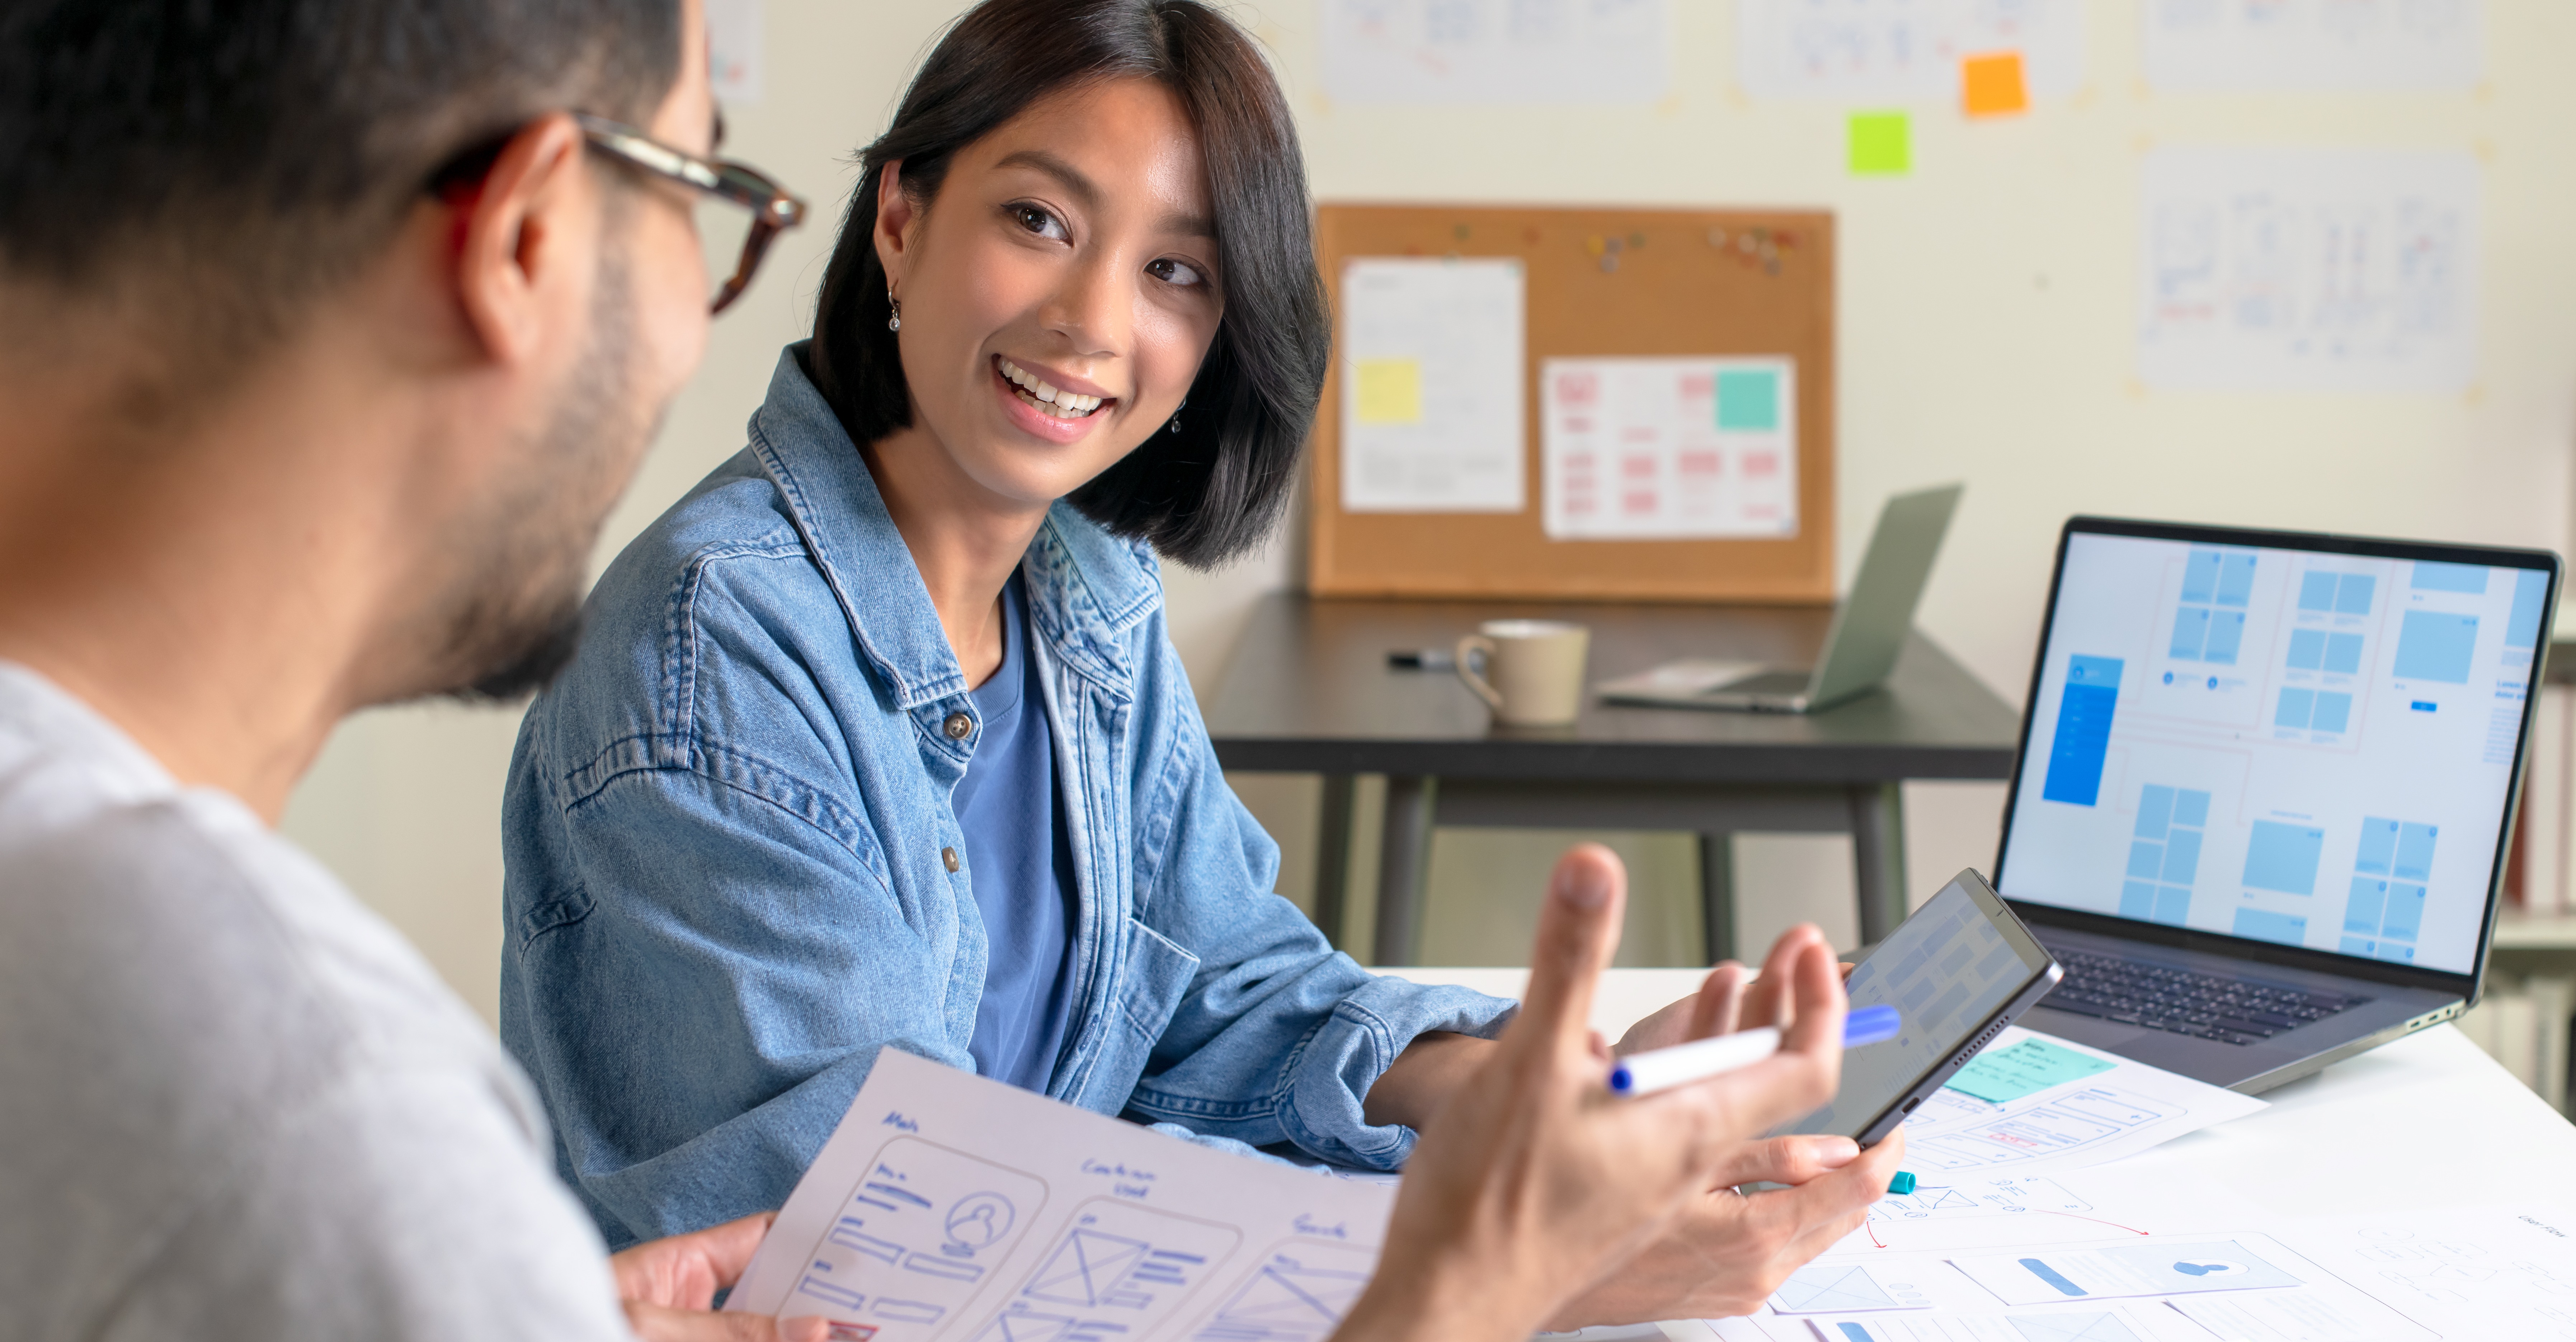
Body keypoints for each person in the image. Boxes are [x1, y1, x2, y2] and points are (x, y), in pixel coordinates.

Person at [0, 0, 1855, 1338]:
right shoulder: (697, 664)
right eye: (1038, 220)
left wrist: (1526, 1099)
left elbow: (1221, 991)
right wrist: (1507, 1270)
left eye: (1179, 273)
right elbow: (896, 1253)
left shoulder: (1090, 599)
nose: (1086, 320)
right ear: (898, 220)